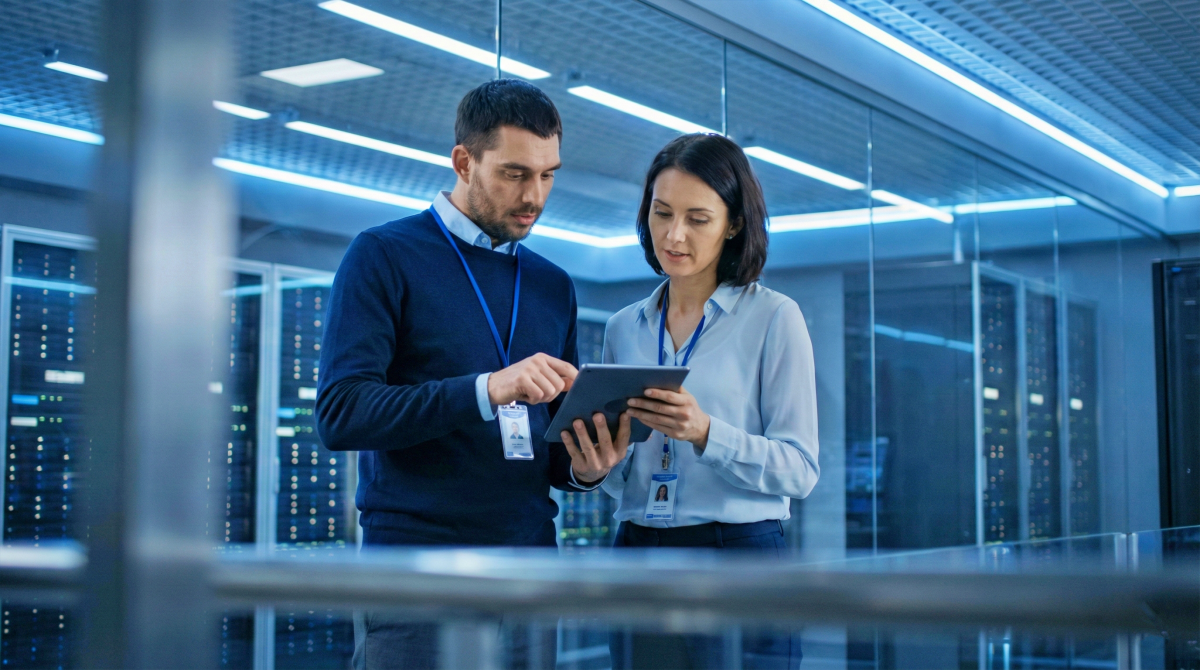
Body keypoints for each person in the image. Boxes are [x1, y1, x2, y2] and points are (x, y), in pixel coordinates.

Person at [317, 79, 629, 669]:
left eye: (548, 174)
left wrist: (585, 470)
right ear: (464, 161)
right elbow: (341, 413)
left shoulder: (552, 284)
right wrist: (489, 389)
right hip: (418, 574)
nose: (534, 195)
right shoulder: (383, 255)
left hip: (530, 569)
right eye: (514, 173)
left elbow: (550, 450)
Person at [562, 133, 818, 669]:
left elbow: (800, 471)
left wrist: (707, 433)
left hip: (738, 556)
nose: (674, 235)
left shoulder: (774, 318)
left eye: (697, 219)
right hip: (637, 552)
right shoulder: (623, 327)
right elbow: (622, 474)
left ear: (735, 224)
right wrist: (597, 469)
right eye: (662, 214)